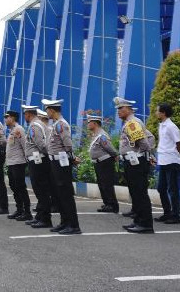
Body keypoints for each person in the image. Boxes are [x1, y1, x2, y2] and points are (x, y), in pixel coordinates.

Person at [42, 99, 81, 235]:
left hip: (61, 162)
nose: (46, 112)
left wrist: (71, 158)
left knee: (66, 194)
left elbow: (68, 144)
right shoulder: (56, 124)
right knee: (60, 194)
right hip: (56, 162)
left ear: (52, 110)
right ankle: (65, 222)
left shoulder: (61, 124)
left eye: (47, 109)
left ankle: (73, 225)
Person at [115, 97, 154, 234]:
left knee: (140, 193)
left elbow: (144, 142)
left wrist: (145, 154)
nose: (118, 111)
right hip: (132, 161)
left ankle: (145, 224)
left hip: (136, 162)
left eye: (121, 108)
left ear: (129, 109)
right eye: (118, 109)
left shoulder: (133, 123)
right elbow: (149, 137)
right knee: (136, 193)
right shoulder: (130, 123)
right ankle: (138, 221)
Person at [23, 105, 52, 228]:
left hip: (38, 161)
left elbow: (42, 145)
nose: (24, 116)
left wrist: (47, 156)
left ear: (28, 114)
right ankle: (40, 216)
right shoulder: (37, 124)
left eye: (25, 114)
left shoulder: (35, 125)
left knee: (41, 190)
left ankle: (45, 219)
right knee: (39, 190)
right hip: (37, 160)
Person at [155, 103, 180, 224]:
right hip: (163, 160)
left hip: (172, 160)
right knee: (161, 188)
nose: (156, 113)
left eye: (157, 111)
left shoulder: (171, 126)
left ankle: (176, 216)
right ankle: (167, 213)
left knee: (172, 189)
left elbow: (178, 143)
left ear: (163, 113)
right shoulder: (161, 125)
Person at [86, 115, 119, 213]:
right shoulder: (95, 135)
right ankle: (107, 204)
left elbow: (110, 148)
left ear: (95, 123)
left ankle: (112, 205)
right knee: (102, 184)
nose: (88, 124)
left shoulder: (102, 135)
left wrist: (115, 155)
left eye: (89, 122)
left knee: (107, 184)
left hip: (105, 162)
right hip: (99, 163)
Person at [4, 111, 31, 221]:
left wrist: (27, 160)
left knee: (20, 187)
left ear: (13, 118)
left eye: (7, 117)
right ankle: (19, 209)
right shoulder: (12, 131)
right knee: (14, 187)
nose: (5, 119)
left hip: (18, 162)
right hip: (11, 163)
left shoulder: (19, 129)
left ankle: (27, 212)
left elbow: (25, 145)